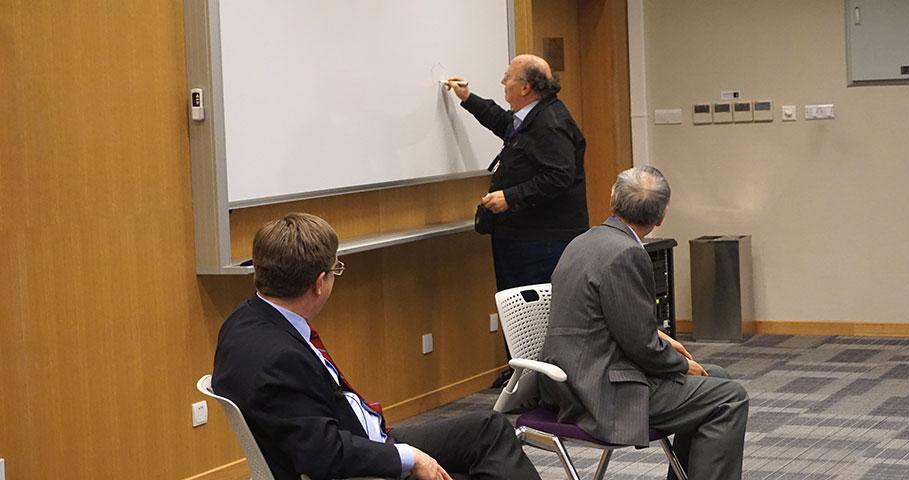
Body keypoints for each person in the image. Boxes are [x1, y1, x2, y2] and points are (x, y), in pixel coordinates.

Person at [212, 213, 540, 480]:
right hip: (356, 462)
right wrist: (408, 458)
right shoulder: (280, 359)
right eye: (334, 270)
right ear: (318, 283)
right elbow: (325, 456)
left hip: (359, 436)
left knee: (487, 429)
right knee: (487, 455)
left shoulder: (245, 318)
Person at [539, 166, 749, 480]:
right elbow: (641, 347)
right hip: (600, 392)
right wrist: (677, 363)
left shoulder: (583, 241)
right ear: (661, 216)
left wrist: (661, 340)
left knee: (717, 377)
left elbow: (610, 321)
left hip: (571, 379)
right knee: (729, 398)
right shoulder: (626, 254)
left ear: (612, 200)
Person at [444, 54, 588, 293]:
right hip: (526, 237)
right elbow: (504, 123)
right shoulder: (534, 115)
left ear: (525, 87)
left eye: (507, 77)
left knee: (531, 320)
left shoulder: (550, 123)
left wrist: (510, 197)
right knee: (519, 317)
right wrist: (468, 98)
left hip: (541, 243)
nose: (503, 82)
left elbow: (559, 176)